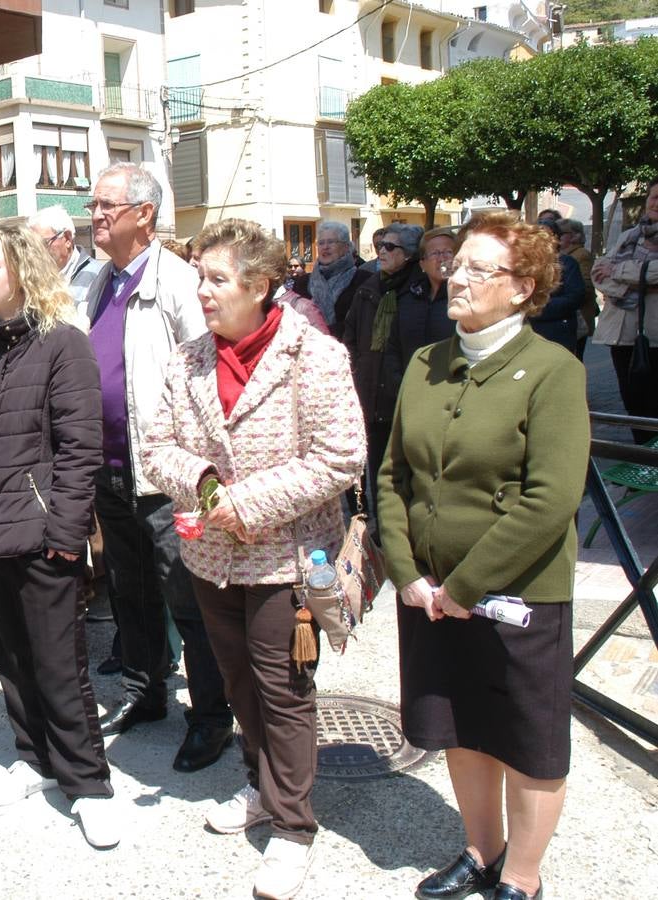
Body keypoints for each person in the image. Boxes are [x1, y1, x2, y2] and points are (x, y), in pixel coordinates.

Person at [140, 219, 365, 900]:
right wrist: (209, 487)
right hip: (212, 556)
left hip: (287, 560)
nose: (201, 291)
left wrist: (249, 502)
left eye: (214, 279)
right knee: (238, 683)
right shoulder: (187, 358)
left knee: (285, 691)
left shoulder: (315, 355)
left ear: (259, 284)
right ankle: (260, 786)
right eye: (199, 277)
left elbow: (339, 455)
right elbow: (156, 448)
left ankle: (294, 829)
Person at [378, 211, 589, 900]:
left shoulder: (551, 370)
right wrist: (407, 573)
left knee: (526, 738)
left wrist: (464, 586)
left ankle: (521, 877)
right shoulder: (425, 362)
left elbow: (550, 500)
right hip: (430, 592)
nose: (455, 277)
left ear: (522, 286)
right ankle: (479, 850)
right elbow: (390, 477)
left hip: (516, 593)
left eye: (477, 268)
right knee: (460, 725)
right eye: (454, 263)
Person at [0, 222, 118, 848]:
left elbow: (79, 449)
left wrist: (66, 533)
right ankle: (34, 756)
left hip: (43, 534)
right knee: (12, 658)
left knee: (58, 664)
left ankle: (88, 784)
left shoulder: (63, 344)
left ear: (22, 271)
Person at [77, 163, 234, 774]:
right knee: (130, 592)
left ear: (144, 213)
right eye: (93, 205)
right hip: (111, 468)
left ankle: (212, 717)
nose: (96, 215)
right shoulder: (102, 281)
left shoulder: (177, 282)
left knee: (189, 599)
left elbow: (208, 375)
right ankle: (145, 695)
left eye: (106, 205)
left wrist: (198, 466)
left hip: (166, 475)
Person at [343, 222, 447, 499]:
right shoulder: (369, 286)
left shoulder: (421, 292)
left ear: (410, 254)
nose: (381, 251)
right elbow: (350, 335)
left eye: (390, 246)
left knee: (408, 473)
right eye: (380, 246)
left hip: (405, 394)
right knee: (376, 469)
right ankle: (375, 530)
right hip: (371, 392)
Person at [592, 178, 658, 441]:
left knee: (654, 406)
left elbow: (653, 273)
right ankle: (642, 467)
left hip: (653, 336)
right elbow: (598, 272)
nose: (656, 204)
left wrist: (620, 273)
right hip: (621, 334)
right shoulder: (629, 236)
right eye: (653, 197)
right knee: (634, 405)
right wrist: (635, 284)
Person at [291, 221, 374, 334]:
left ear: (346, 247)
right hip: (307, 347)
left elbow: (363, 324)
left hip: (347, 347)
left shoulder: (365, 280)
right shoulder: (302, 283)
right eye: (321, 243)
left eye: (331, 242)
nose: (325, 247)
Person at [29, 204, 103, 307]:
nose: (36, 251)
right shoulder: (31, 280)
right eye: (31, 245)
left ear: (67, 239)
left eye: (43, 243)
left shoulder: (97, 275)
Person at [530, 220, 587, 352]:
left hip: (559, 329)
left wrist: (538, 305)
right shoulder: (525, 264)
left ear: (556, 238)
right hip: (531, 329)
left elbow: (575, 297)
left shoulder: (567, 263)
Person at [556, 218, 598, 358]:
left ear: (575, 235)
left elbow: (585, 286)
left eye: (562, 233)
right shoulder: (564, 255)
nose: (558, 236)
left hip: (578, 318)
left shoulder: (580, 255)